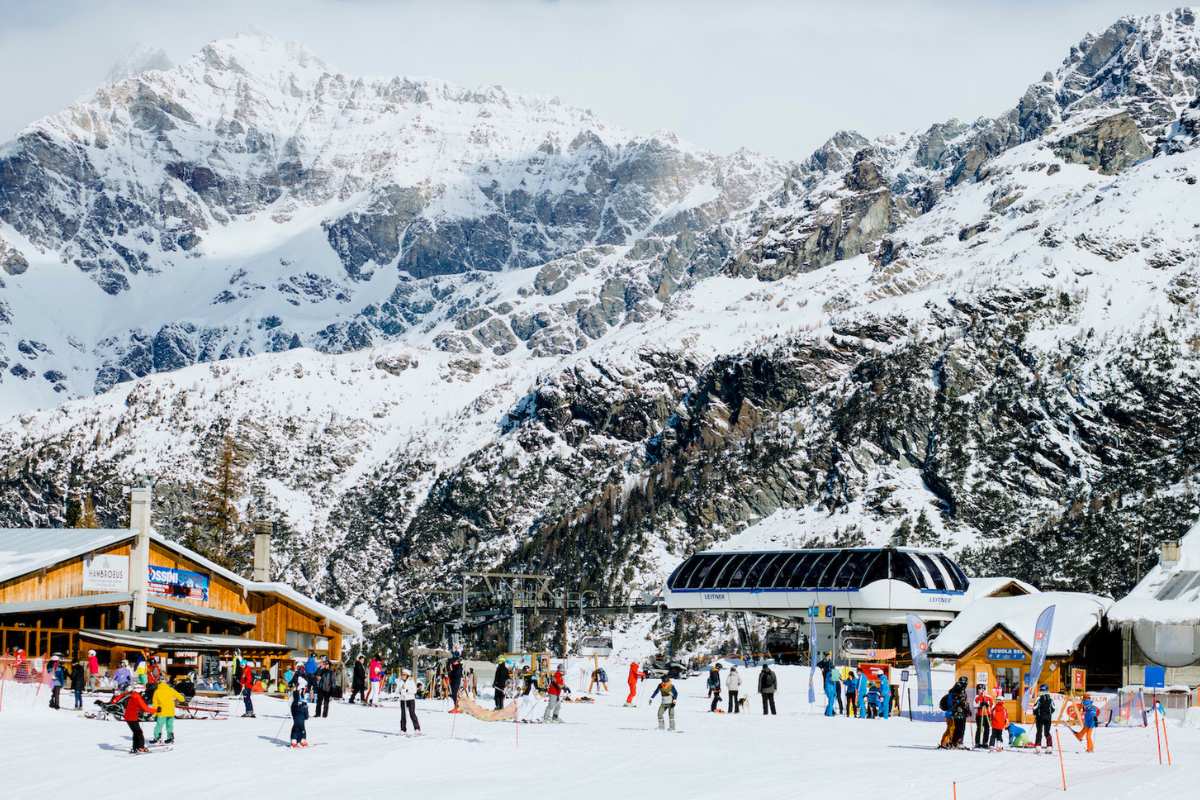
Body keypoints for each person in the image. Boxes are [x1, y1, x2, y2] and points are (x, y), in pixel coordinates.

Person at [117, 685, 155, 753]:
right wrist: (156, 710)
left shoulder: (133, 695)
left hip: (129, 717)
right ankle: (141, 747)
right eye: (142, 692)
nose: (143, 693)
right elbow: (145, 708)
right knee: (139, 733)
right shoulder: (137, 697)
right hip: (132, 717)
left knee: (136, 732)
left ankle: (135, 747)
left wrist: (140, 710)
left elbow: (136, 706)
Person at [149, 680, 185, 745]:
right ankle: (170, 738)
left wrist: (153, 714)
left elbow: (155, 704)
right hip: (171, 711)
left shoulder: (157, 692)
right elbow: (182, 698)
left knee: (159, 725)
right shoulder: (171, 689)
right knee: (169, 725)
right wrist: (177, 699)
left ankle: (157, 738)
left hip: (162, 712)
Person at [938, 677, 969, 749]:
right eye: (963, 683)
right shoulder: (954, 692)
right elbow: (954, 703)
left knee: (957, 728)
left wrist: (966, 709)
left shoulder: (962, 692)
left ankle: (953, 742)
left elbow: (964, 703)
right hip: (951, 713)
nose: (964, 685)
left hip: (957, 713)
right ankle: (945, 743)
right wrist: (959, 702)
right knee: (951, 728)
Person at [398, 668, 421, 735]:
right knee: (403, 715)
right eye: (402, 674)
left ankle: (417, 728)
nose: (403, 676)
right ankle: (403, 729)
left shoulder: (411, 681)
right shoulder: (400, 681)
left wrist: (407, 691)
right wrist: (400, 691)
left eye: (404, 675)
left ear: (407, 675)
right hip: (403, 699)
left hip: (410, 699)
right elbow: (397, 691)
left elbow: (414, 690)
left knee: (412, 714)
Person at [1033, 684, 1055, 751]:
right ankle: (1049, 747)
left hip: (1039, 718)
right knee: (1047, 732)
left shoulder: (1038, 698)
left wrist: (1035, 714)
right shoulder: (1050, 699)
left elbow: (1035, 708)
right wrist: (1049, 714)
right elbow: (1053, 708)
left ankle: (1038, 746)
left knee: (1039, 731)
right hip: (1048, 718)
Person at [973, 683, 993, 748]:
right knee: (979, 728)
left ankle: (985, 742)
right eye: (980, 689)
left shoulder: (989, 697)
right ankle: (977, 742)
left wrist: (988, 705)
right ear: (977, 690)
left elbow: (993, 705)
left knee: (987, 728)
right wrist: (980, 705)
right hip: (979, 715)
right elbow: (974, 705)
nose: (981, 690)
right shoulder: (977, 697)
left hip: (987, 715)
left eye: (983, 689)